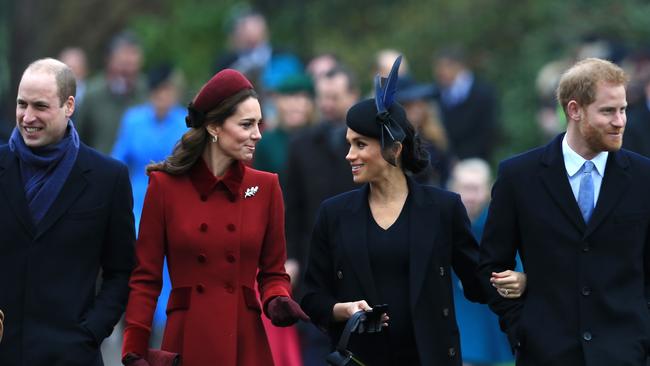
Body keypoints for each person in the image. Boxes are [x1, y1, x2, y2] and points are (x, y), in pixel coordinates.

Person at [301, 57, 523, 366]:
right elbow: (312, 296)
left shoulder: (443, 209)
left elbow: (478, 281)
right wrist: (345, 310)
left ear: (394, 148)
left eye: (361, 144)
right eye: (349, 143)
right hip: (362, 358)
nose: (349, 154)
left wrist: (520, 285)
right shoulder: (334, 214)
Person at [121, 68, 309, 366]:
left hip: (246, 341)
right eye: (247, 125)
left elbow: (273, 272)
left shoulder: (266, 186)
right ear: (214, 128)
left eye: (259, 124)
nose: (257, 134)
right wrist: (134, 347)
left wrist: (277, 299)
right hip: (187, 340)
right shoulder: (164, 187)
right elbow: (146, 278)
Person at [478, 58, 650, 365]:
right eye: (608, 111)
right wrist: (521, 331)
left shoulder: (643, 177)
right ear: (574, 110)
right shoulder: (519, 177)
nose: (620, 121)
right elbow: (491, 266)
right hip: (545, 353)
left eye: (623, 109)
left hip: (625, 354)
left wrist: (641, 339)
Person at [0, 58, 135, 365]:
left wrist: (91, 331)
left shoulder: (107, 178)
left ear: (69, 105)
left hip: (70, 354)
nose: (27, 117)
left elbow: (121, 270)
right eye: (22, 104)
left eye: (40, 106)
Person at [449, 159, 518, 366]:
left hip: (489, 313)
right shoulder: (441, 219)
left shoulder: (500, 220)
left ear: (488, 189)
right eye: (465, 188)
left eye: (476, 189)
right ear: (453, 187)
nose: (470, 196)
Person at [76, 31, 148, 154]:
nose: (127, 70)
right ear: (109, 60)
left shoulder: (148, 92)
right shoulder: (92, 94)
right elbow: (78, 138)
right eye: (122, 63)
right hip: (100, 167)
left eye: (132, 64)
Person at [433, 46, 499, 162]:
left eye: (446, 66)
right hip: (446, 163)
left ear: (460, 66)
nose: (440, 72)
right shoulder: (437, 93)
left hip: (476, 161)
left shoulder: (483, 93)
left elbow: (488, 131)